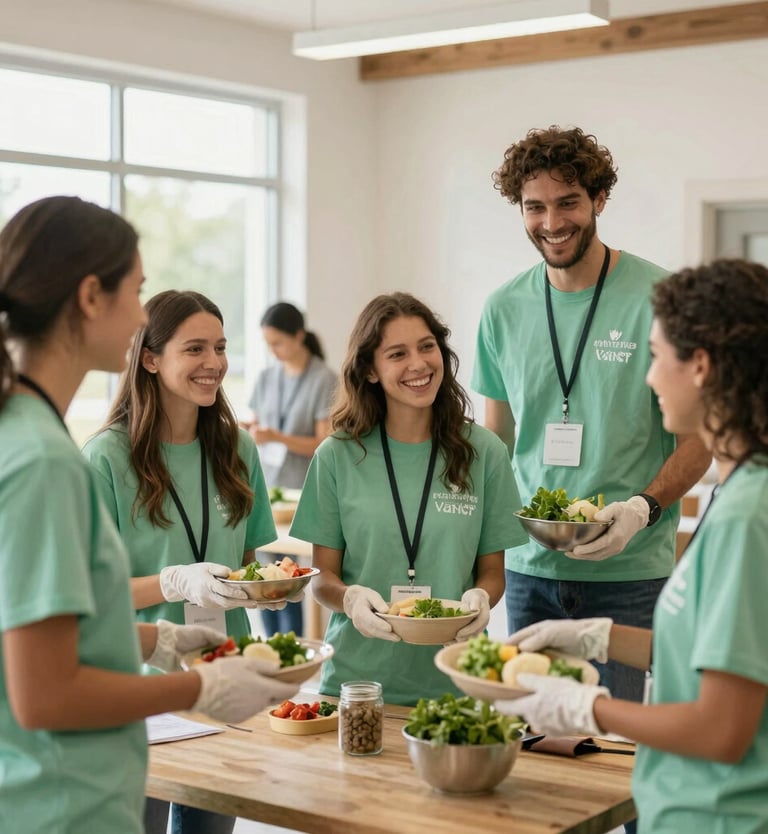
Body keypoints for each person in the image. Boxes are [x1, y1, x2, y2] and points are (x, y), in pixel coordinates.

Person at [0, 196, 298, 834]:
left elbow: (63, 632)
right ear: (89, 297)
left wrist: (158, 637)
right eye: (134, 292)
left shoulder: (25, 433)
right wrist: (197, 688)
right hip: (63, 802)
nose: (139, 314)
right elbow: (44, 691)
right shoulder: (49, 461)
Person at [500, 258, 768, 834]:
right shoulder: (740, 487)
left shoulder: (750, 514)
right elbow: (706, 656)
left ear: (700, 366)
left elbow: (721, 730)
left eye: (655, 356)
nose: (648, 378)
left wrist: (584, 709)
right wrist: (596, 636)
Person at [472, 125, 712, 703]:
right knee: (535, 744)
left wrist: (641, 508)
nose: (552, 223)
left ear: (599, 199)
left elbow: (702, 439)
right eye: (535, 207)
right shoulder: (503, 308)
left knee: (612, 751)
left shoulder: (660, 298)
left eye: (568, 202)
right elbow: (495, 443)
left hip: (631, 575)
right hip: (530, 572)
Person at [83, 289, 296, 834]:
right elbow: (90, 596)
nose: (214, 364)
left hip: (225, 672)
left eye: (221, 347)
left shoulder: (237, 449)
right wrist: (175, 582)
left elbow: (249, 563)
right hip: (139, 680)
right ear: (151, 358)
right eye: (195, 349)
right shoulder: (108, 456)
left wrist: (269, 587)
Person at [289, 292, 527, 706]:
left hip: (457, 683)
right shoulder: (338, 455)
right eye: (397, 354)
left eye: (427, 347)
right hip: (357, 687)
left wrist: (481, 599)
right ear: (370, 371)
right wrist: (349, 598)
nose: (418, 364)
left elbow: (492, 572)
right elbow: (322, 577)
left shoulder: (485, 452)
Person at [241, 301, 338, 637]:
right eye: (268, 344)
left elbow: (323, 442)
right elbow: (258, 422)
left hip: (302, 491)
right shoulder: (267, 377)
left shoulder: (324, 378)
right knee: (264, 580)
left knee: (291, 582)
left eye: (278, 343)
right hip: (269, 489)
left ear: (299, 336)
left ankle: (293, 652)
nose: (273, 351)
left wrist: (277, 437)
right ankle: (270, 647)